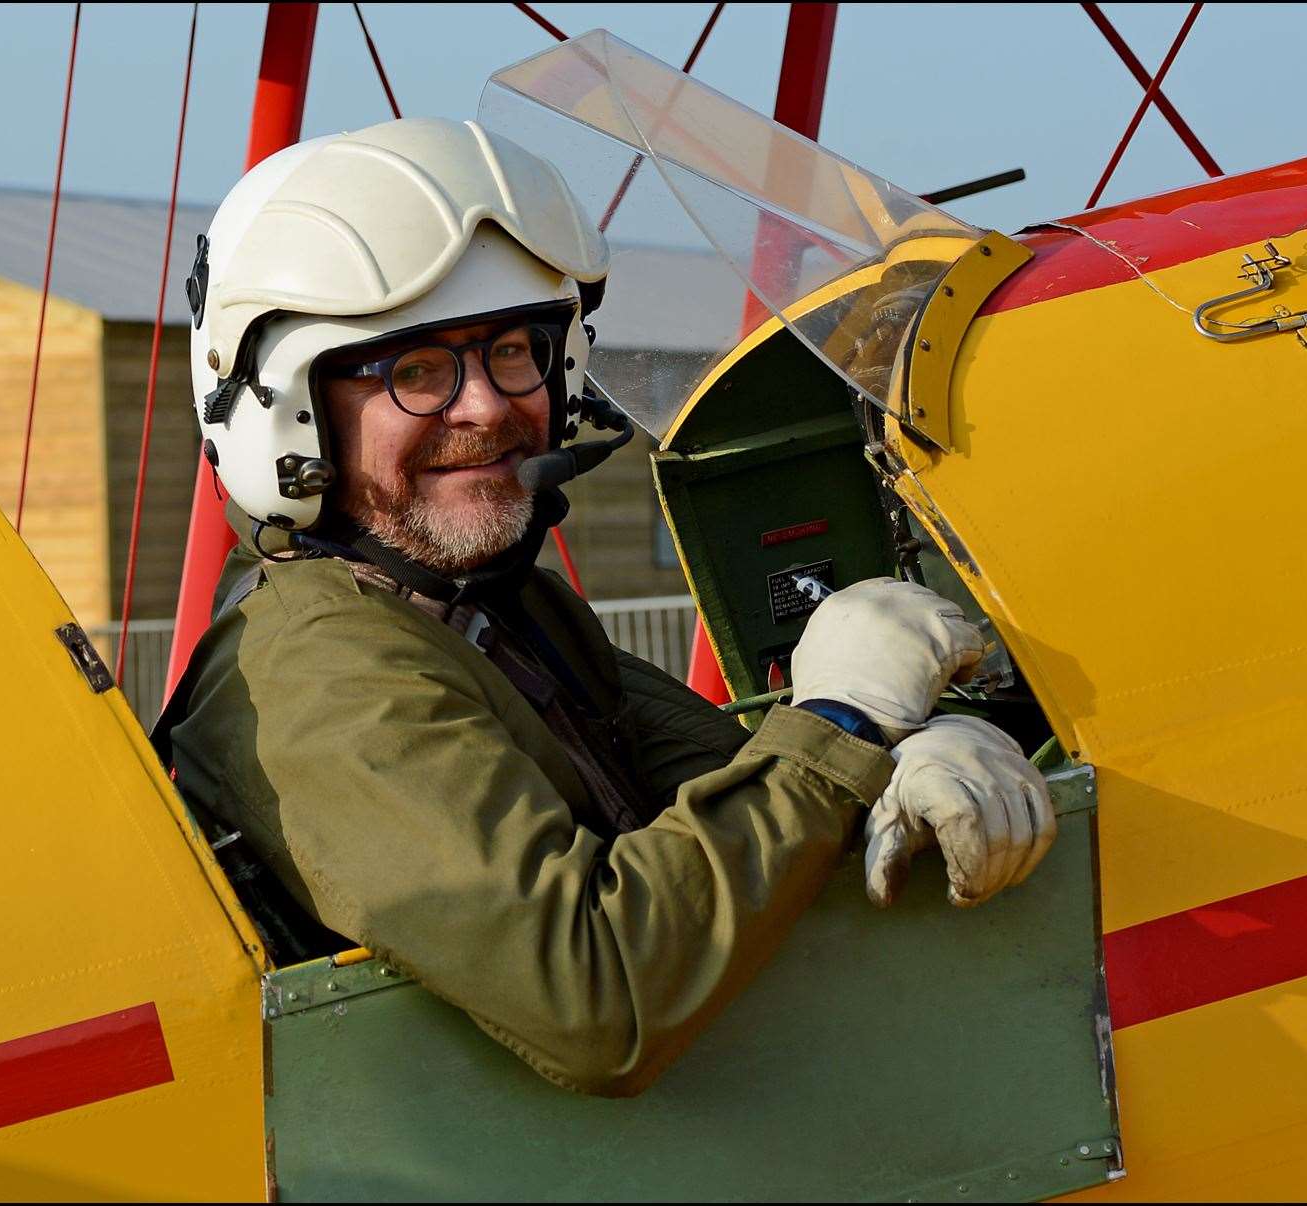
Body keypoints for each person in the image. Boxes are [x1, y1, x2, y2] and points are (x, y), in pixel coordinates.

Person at [159, 117, 1055, 1097]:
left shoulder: (494, 608)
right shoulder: (318, 670)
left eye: (513, 351)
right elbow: (597, 994)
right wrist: (840, 718)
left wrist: (895, 753)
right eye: (415, 372)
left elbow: (729, 794)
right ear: (289, 414)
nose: (487, 407)